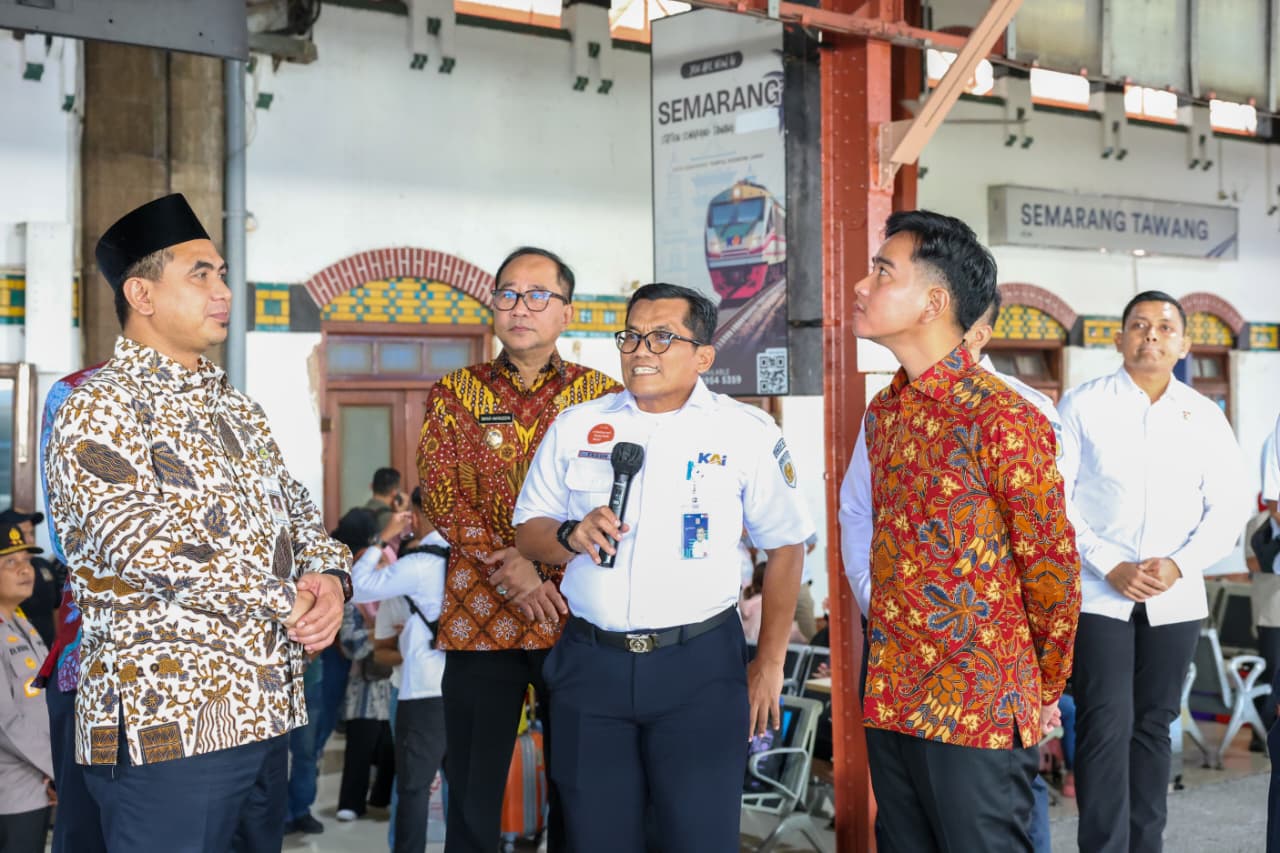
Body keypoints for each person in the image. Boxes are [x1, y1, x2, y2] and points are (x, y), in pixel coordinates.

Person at [42, 193, 352, 852]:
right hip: (168, 728)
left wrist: (328, 575)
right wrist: (287, 598)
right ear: (142, 293)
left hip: (263, 711)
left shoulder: (237, 409)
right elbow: (142, 541)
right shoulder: (98, 407)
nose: (223, 290)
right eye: (200, 274)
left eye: (222, 273)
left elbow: (296, 510)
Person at [513, 282, 815, 852]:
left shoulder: (746, 432)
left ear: (703, 355)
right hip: (591, 666)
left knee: (696, 836)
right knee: (592, 837)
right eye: (630, 336)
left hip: (699, 668)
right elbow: (529, 529)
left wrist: (770, 662)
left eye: (660, 337)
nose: (639, 350)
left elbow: (787, 547)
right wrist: (569, 535)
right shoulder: (577, 426)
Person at [849, 210, 1080, 852]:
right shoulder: (886, 412)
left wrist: (1045, 689)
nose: (862, 286)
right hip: (894, 690)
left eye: (881, 272)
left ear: (934, 302)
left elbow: (1051, 571)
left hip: (977, 699)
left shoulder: (1004, 417)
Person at [419, 246, 620, 853]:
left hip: (576, 617)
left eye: (538, 295)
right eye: (507, 294)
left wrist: (542, 568)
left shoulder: (603, 399)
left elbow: (620, 500)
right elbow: (442, 493)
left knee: (581, 789)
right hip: (480, 618)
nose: (520, 308)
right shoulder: (455, 393)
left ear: (567, 312)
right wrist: (516, 567)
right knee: (474, 793)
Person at [1059, 290, 1249, 853]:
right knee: (1104, 723)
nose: (1151, 336)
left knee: (1154, 725)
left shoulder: (1204, 416)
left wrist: (1180, 564)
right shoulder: (1082, 404)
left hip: (1175, 592)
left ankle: (1146, 845)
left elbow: (1230, 506)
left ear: (1184, 344)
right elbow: (1053, 498)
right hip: (1100, 591)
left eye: (1165, 328)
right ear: (1118, 339)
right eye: (1139, 326)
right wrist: (1107, 562)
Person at [350, 487, 449, 853]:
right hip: (470, 688)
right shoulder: (471, 557)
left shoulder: (421, 565)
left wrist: (383, 538)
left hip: (424, 693)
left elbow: (358, 586)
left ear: (420, 514)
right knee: (466, 788)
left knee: (413, 789)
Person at [33, 363, 106, 853]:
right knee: (88, 822)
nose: (219, 294)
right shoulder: (76, 391)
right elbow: (68, 535)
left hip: (196, 674)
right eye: (200, 277)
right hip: (93, 666)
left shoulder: (218, 396)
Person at [0, 521, 55, 853]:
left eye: (27, 560)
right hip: (11, 794)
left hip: (36, 786)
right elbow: (5, 722)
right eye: (10, 562)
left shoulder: (22, 622)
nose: (26, 569)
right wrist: (57, 768)